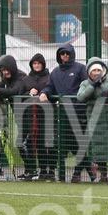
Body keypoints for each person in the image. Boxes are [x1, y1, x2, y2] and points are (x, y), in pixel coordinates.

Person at [40, 43, 94, 183]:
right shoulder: (55, 72)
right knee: (68, 145)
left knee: (78, 145)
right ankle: (88, 170)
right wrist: (44, 93)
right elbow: (49, 87)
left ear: (72, 54)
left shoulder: (80, 68)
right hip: (63, 116)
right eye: (62, 53)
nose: (64, 56)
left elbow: (87, 86)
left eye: (67, 53)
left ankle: (78, 173)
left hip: (79, 114)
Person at [77, 58, 108, 184]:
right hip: (95, 122)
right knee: (99, 149)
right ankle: (103, 176)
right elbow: (81, 97)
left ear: (103, 71)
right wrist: (92, 86)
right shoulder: (85, 84)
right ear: (89, 72)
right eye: (93, 70)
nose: (96, 73)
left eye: (98, 70)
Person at [0, 54, 27, 180]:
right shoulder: (6, 79)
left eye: (6, 70)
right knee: (21, 144)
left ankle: (34, 170)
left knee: (27, 143)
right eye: (2, 70)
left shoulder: (21, 77)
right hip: (19, 116)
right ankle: (29, 170)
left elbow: (14, 91)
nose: (5, 72)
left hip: (29, 115)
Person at [20, 53, 54, 181]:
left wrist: (44, 94)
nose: (37, 65)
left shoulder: (49, 78)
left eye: (39, 63)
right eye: (34, 63)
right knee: (37, 143)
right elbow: (20, 95)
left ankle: (51, 170)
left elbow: (52, 91)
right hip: (31, 117)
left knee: (49, 144)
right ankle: (41, 170)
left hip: (47, 115)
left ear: (43, 64)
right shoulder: (26, 79)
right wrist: (29, 93)